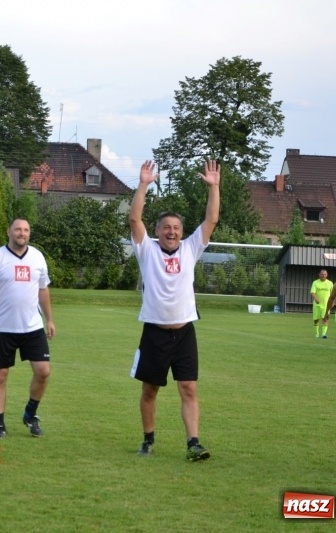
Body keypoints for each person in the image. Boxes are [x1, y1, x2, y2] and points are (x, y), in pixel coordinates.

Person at [129, 159, 220, 461]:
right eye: (166, 227)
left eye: (176, 228)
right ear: (157, 230)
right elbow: (134, 219)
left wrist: (214, 187)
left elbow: (211, 220)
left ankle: (193, 443)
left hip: (184, 333)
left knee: (189, 388)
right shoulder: (147, 250)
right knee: (150, 391)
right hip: (154, 333)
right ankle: (148, 439)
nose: (171, 231)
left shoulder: (191, 248)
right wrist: (143, 184)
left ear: (182, 232)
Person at [0, 219, 56, 438]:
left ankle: (30, 414)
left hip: (33, 327)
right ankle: (0, 424)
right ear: (8, 231)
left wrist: (49, 319)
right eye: (18, 229)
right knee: (0, 376)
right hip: (3, 328)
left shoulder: (37, 257)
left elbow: (43, 290)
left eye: (26, 230)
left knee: (43, 371)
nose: (22, 233)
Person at [310, 268, 334, 338]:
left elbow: (333, 294)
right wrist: (316, 298)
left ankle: (324, 334)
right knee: (316, 320)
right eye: (322, 274)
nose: (323, 275)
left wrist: (332, 302)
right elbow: (312, 292)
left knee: (325, 319)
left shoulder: (330, 283)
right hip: (317, 305)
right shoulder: (315, 282)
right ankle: (316, 333)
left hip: (326, 305)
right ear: (319, 274)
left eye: (325, 274)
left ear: (327, 275)